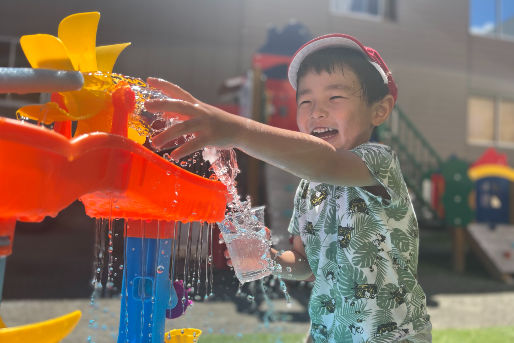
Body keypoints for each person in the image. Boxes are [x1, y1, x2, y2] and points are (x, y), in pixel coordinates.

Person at [145, 33, 432, 343]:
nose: (316, 111)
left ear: (379, 110)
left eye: (334, 98)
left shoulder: (380, 162)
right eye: (305, 100)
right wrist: (271, 260)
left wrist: (236, 129)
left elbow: (326, 161)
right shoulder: (309, 187)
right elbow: (305, 263)